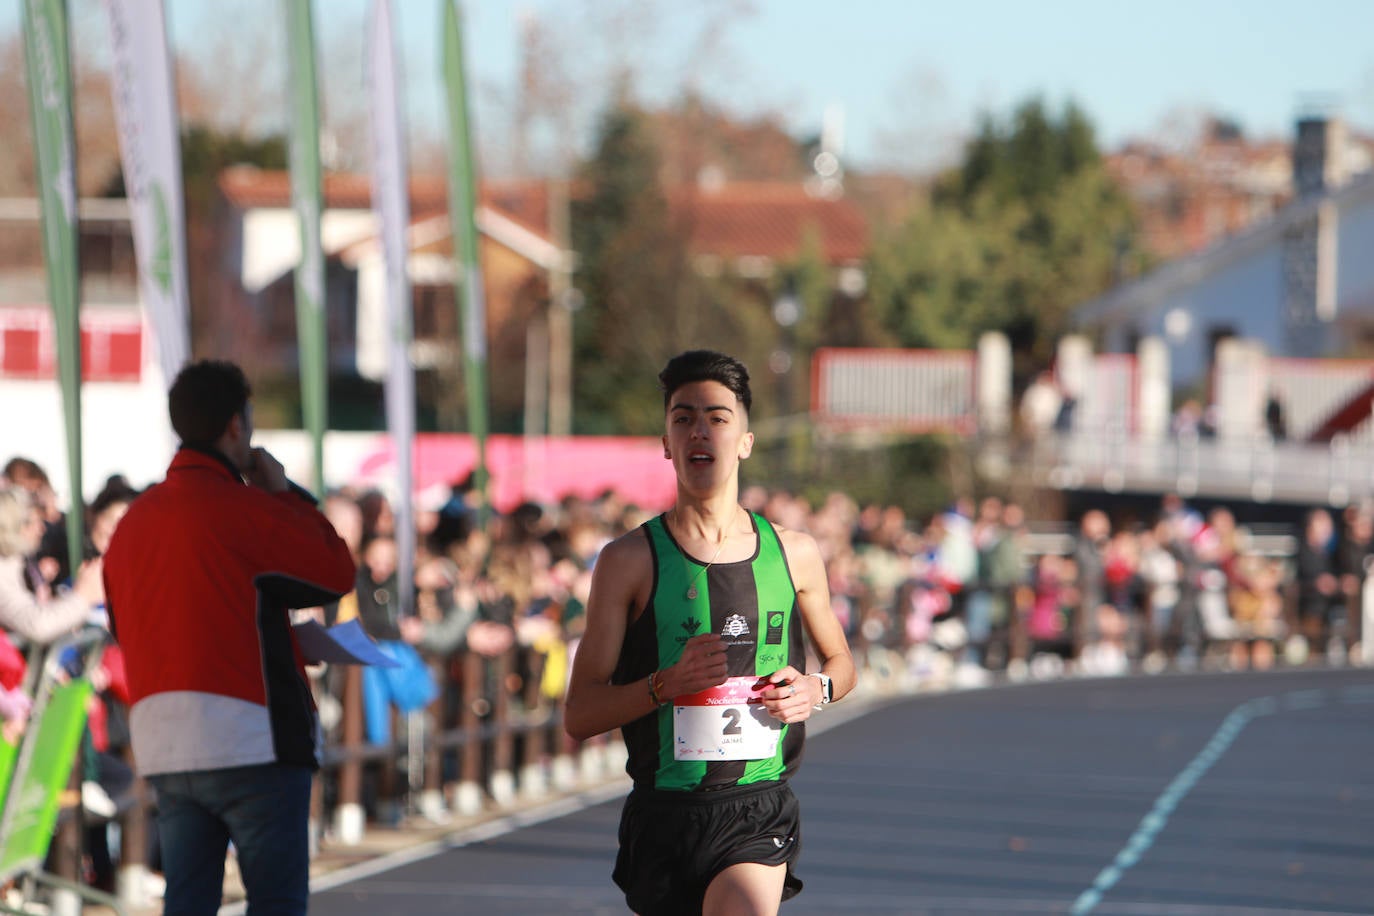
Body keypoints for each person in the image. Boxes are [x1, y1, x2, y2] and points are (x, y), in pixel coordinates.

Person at [564, 350, 856, 916]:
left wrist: (814, 689)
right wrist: (662, 686)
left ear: (745, 439)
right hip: (664, 814)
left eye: (718, 418)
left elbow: (841, 662)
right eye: (684, 417)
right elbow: (580, 714)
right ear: (667, 442)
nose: (701, 431)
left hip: (757, 807)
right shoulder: (628, 561)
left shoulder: (793, 553)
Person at [102, 360, 356, 916]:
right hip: (251, 734)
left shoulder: (131, 524)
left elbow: (125, 628)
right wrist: (285, 492)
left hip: (165, 738)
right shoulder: (245, 509)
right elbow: (335, 570)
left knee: (188, 901)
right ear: (236, 426)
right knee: (275, 902)